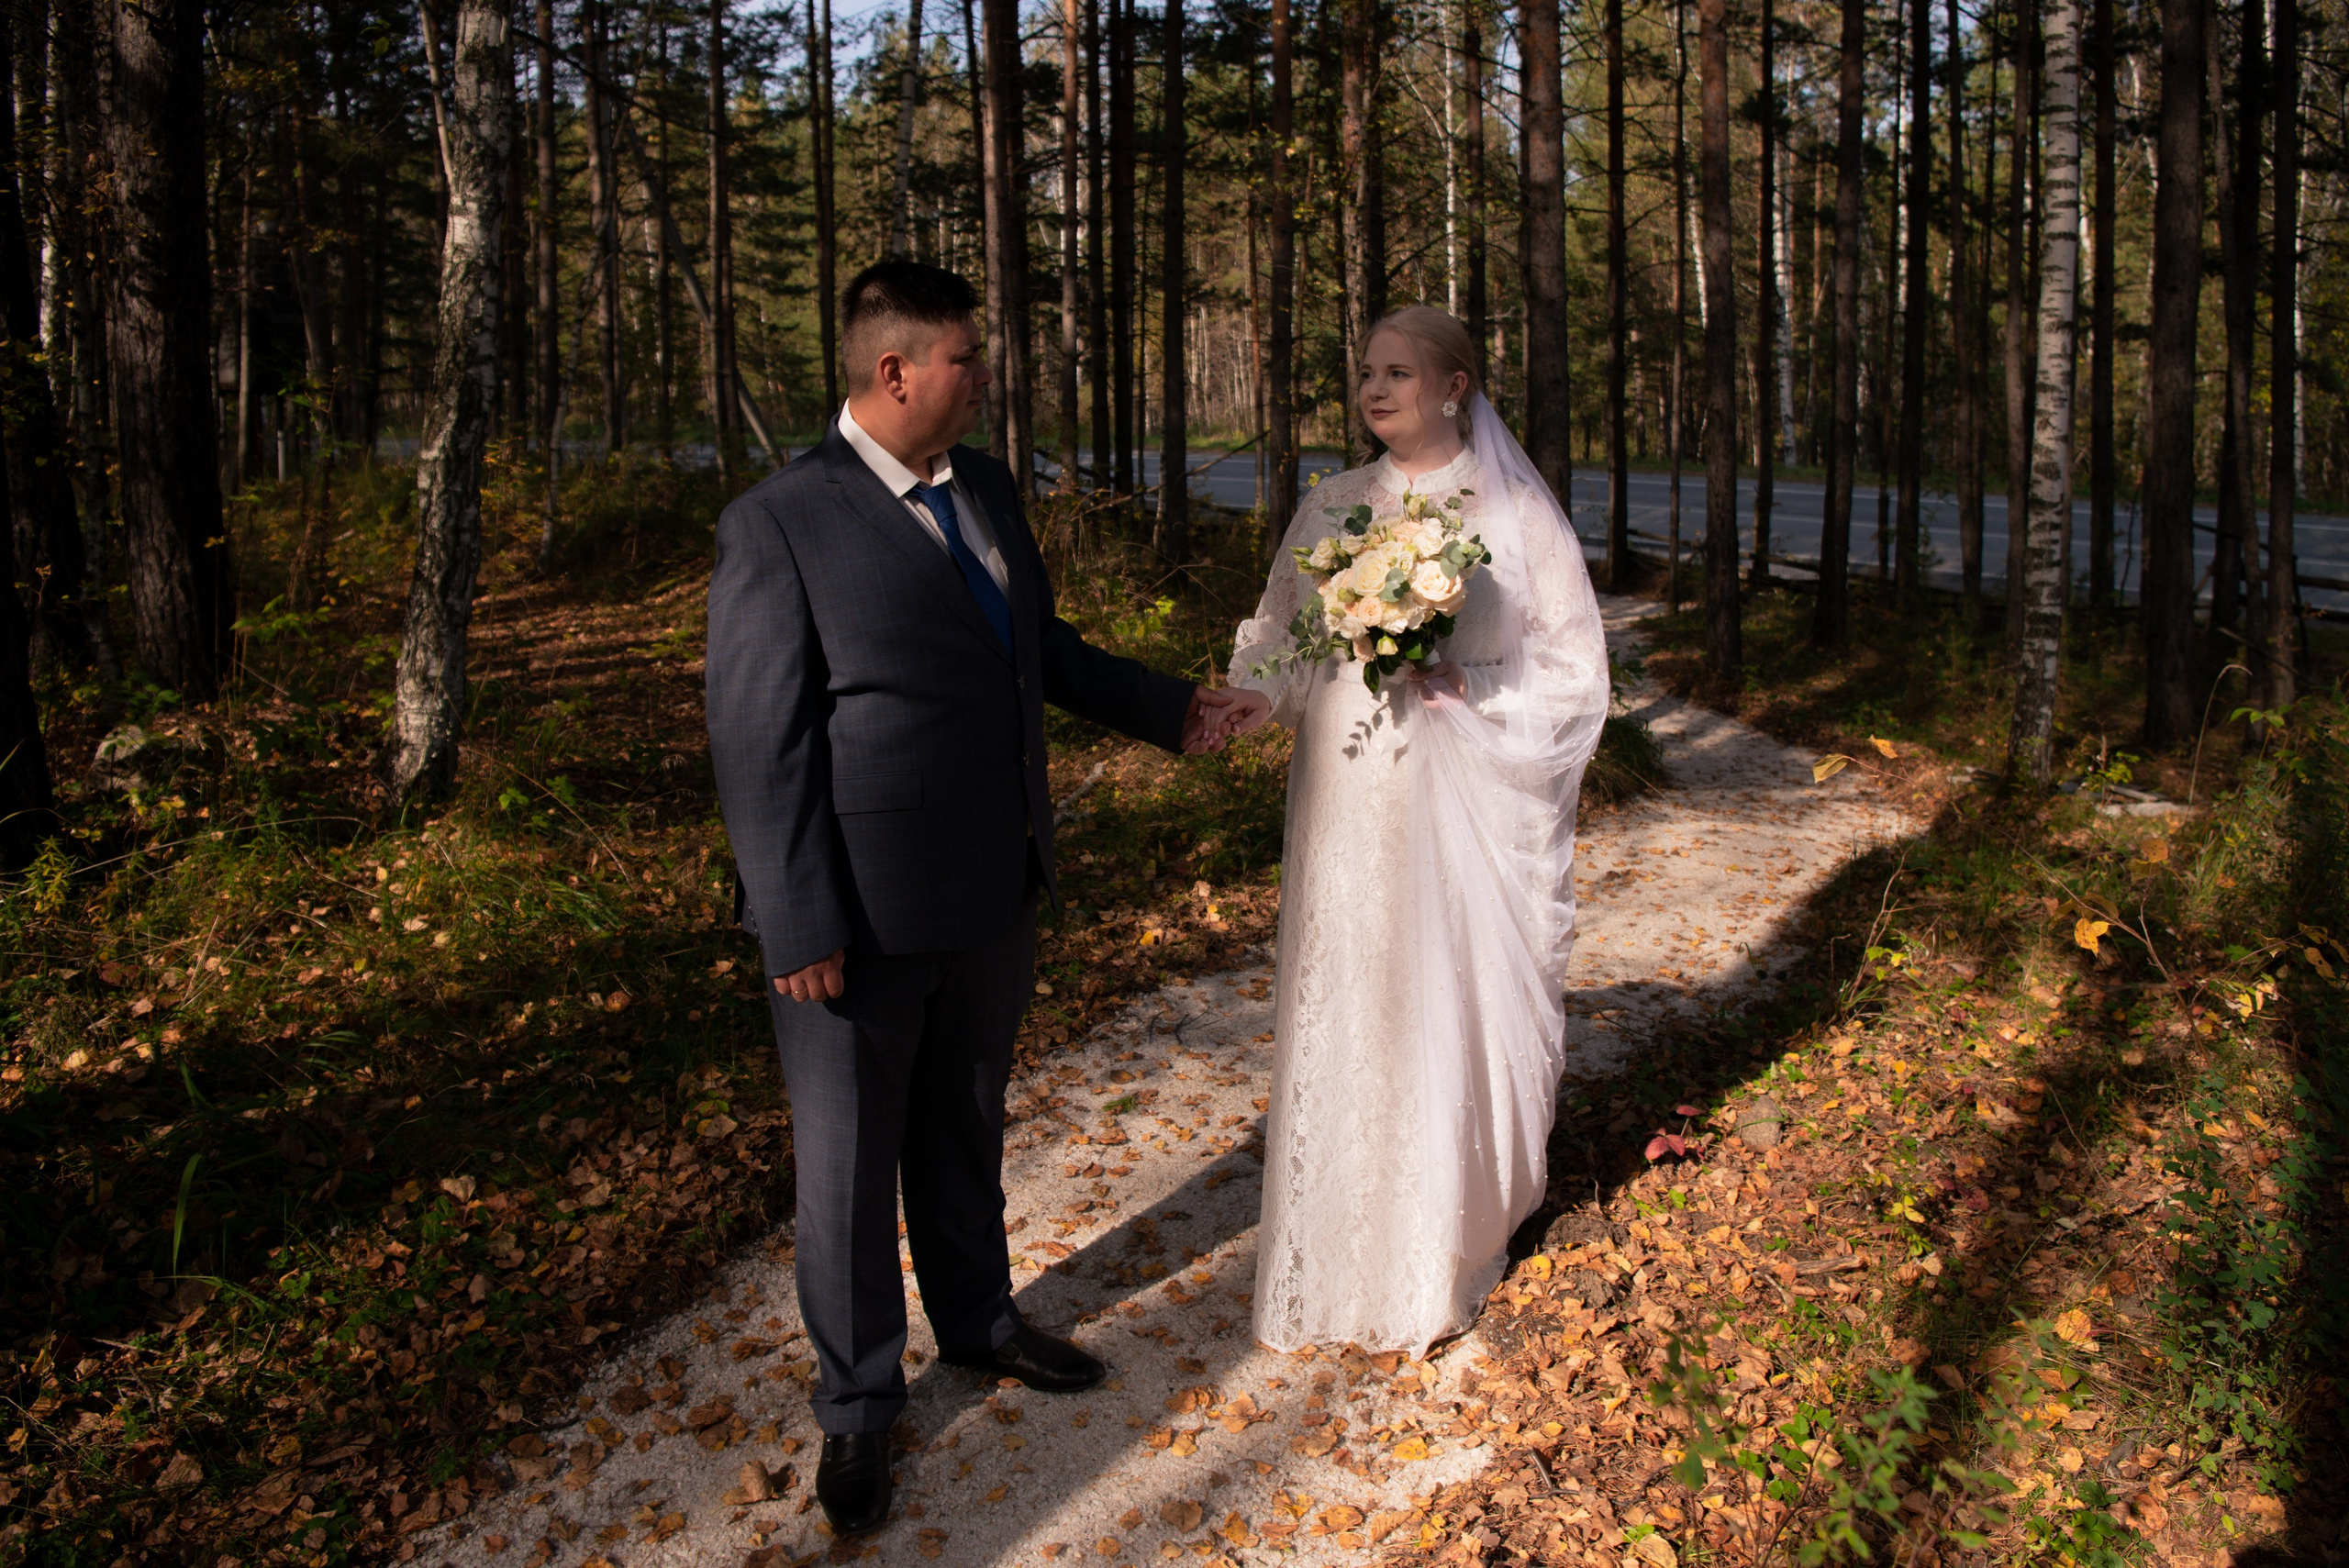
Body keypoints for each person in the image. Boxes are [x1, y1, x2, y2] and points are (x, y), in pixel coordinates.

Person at [704, 260, 1241, 1537]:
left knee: (964, 1126)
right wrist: (798, 921)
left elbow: (1034, 651)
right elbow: (759, 742)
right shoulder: (781, 521)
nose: (985, 376)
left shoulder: (985, 487)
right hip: (856, 917)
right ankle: (857, 1405)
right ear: (895, 371)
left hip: (993, 886)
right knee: (847, 1171)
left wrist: (1172, 708)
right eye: (966, 357)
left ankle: (980, 1321)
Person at [1213, 305, 1611, 1354]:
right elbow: (1281, 630)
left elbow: (1576, 673)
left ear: (1454, 387)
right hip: (1345, 783)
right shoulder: (1333, 503)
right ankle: (1335, 1241)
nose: (1375, 389)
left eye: (1398, 372)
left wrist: (1468, 683)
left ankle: (1434, 1246)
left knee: (1435, 993)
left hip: (1452, 785)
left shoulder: (1511, 513)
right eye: (1366, 372)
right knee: (1347, 986)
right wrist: (1253, 694)